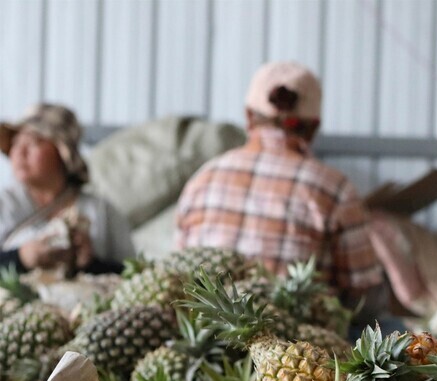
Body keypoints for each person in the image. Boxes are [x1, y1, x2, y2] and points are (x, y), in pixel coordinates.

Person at [174, 60, 391, 321]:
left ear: (248, 116)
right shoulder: (335, 189)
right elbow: (362, 293)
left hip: (208, 331)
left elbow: (178, 272)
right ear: (314, 126)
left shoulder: (203, 178)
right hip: (294, 348)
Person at [0, 103, 132, 275]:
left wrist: (90, 263)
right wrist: (21, 257)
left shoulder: (101, 211)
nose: (20, 152)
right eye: (16, 143)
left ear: (61, 151)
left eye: (34, 142)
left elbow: (131, 274)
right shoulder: (5, 204)